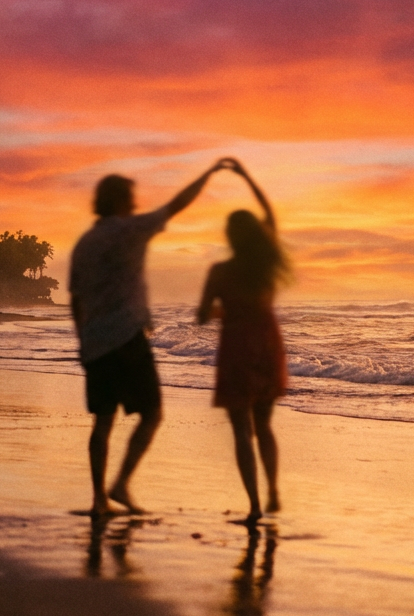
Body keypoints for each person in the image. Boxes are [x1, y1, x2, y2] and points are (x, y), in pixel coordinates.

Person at [70, 161, 226, 516]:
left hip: (94, 342)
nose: (137, 205)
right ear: (123, 202)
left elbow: (76, 300)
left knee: (103, 421)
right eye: (132, 199)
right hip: (126, 336)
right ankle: (121, 483)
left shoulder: (85, 243)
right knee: (152, 413)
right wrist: (209, 172)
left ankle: (98, 499)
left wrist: (82, 343)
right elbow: (177, 203)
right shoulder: (132, 229)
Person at [196, 160, 289, 524]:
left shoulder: (219, 272)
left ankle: (253, 505)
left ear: (231, 237)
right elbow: (269, 213)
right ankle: (274, 491)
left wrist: (224, 312)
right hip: (267, 344)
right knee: (264, 424)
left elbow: (202, 316)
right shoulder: (267, 265)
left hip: (236, 348)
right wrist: (247, 176)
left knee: (241, 430)